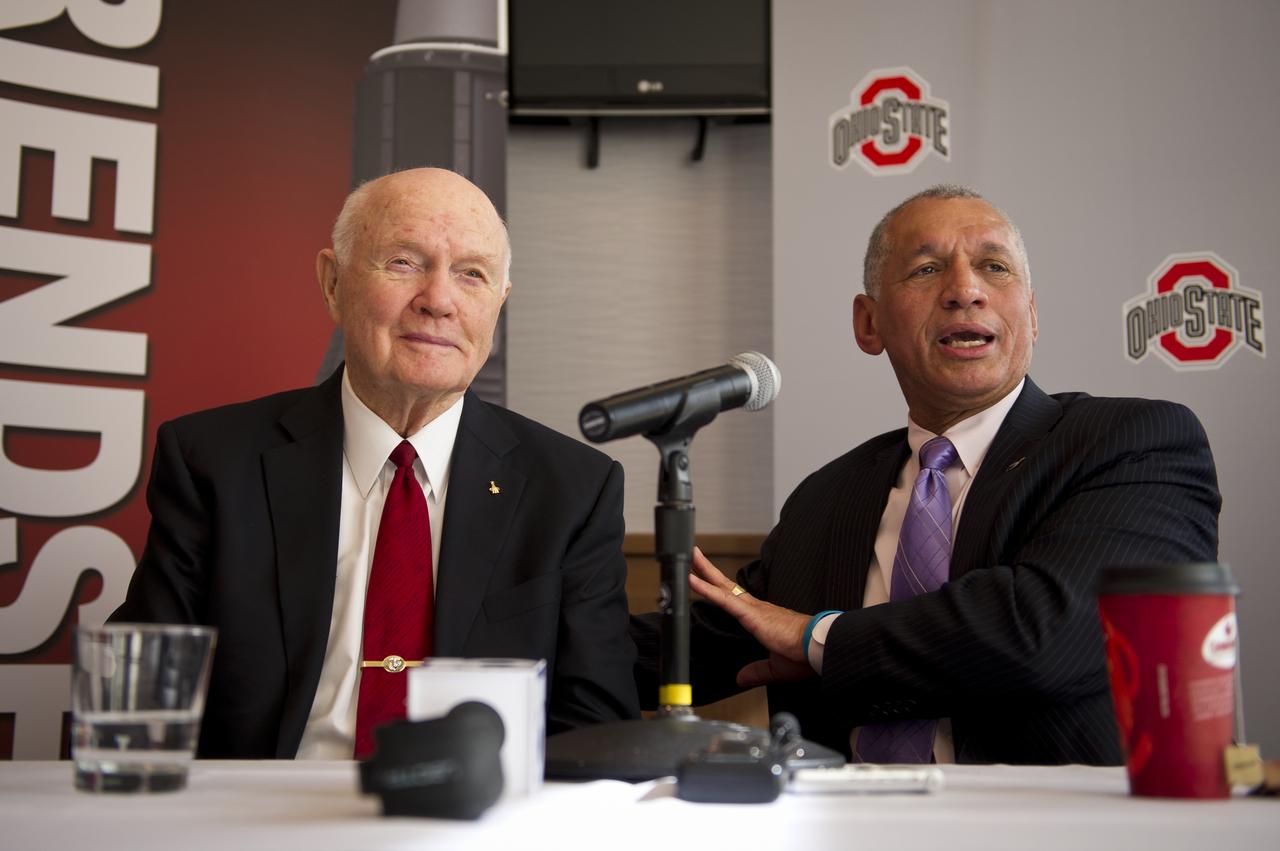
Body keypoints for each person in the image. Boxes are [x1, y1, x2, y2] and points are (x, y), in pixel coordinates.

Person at [633, 185, 1220, 765]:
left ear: (1032, 315)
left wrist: (819, 639)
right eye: (926, 269)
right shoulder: (826, 498)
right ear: (869, 324)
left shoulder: (1135, 444)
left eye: (994, 267)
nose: (965, 290)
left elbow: (1048, 634)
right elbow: (716, 638)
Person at [114, 167, 640, 759]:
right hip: (259, 817)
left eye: (472, 275)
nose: (439, 301)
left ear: (498, 305)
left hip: (472, 824)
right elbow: (145, 694)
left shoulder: (571, 490)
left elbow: (594, 726)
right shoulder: (214, 462)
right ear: (332, 283)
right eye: (403, 262)